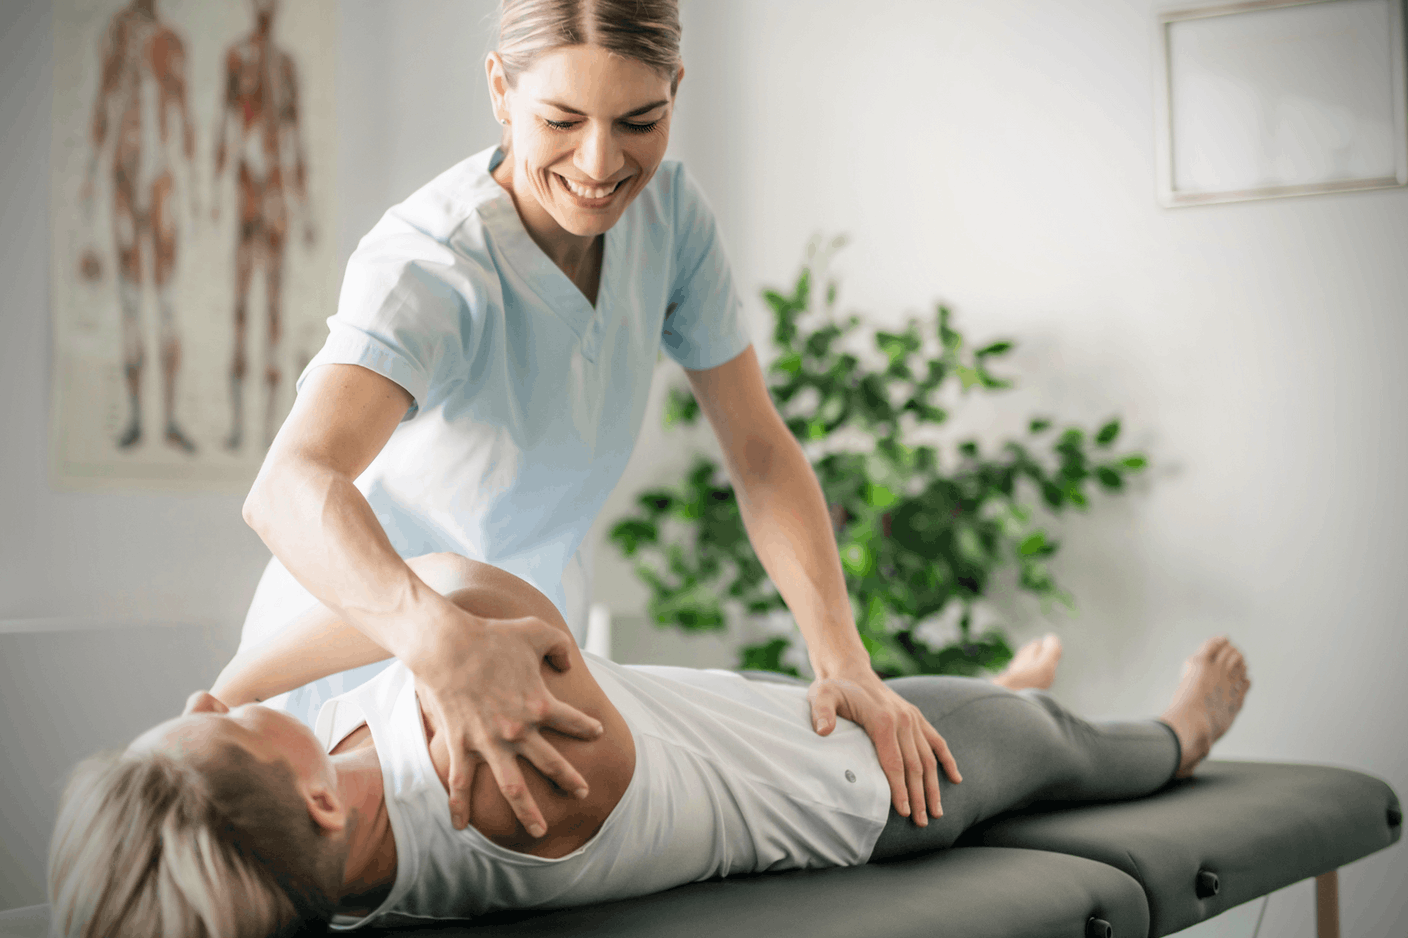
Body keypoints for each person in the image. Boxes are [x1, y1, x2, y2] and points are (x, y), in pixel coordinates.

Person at [238, 0, 955, 847]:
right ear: (501, 91)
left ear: (676, 92)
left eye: (639, 121)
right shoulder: (431, 262)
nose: (600, 162)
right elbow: (289, 488)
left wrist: (844, 660)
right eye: (562, 119)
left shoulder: (672, 221)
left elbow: (759, 453)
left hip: (526, 651)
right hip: (364, 656)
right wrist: (436, 638)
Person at [48, 553, 1252, 937]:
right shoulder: (505, 785)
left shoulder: (332, 828)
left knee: (984, 702)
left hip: (750, 713)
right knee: (1062, 743)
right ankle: (1179, 725)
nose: (210, 704)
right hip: (861, 779)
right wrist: (244, 678)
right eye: (214, 725)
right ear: (312, 801)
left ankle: (991, 685)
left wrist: (219, 723)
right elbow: (464, 584)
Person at [81, 0, 198, 453]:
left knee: (166, 305)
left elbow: (185, 118)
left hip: (162, 183)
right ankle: (135, 416)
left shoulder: (171, 42)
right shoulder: (117, 33)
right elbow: (103, 105)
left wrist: (195, 198)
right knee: (131, 304)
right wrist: (91, 190)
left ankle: (168, 419)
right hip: (127, 181)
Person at [211, 0, 316, 451]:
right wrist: (215, 196)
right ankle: (238, 424)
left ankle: (272, 428)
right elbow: (225, 123)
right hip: (247, 192)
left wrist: (304, 208)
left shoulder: (287, 65)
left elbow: (297, 137)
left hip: (274, 196)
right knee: (240, 306)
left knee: (273, 308)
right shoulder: (237, 57)